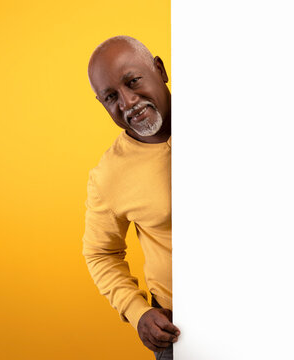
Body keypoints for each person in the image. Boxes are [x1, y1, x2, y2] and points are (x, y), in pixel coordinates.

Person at [82, 35, 179, 360]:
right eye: (111, 97)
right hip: (182, 328)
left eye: (133, 81)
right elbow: (100, 253)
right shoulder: (109, 173)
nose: (127, 102)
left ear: (160, 70)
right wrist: (136, 311)